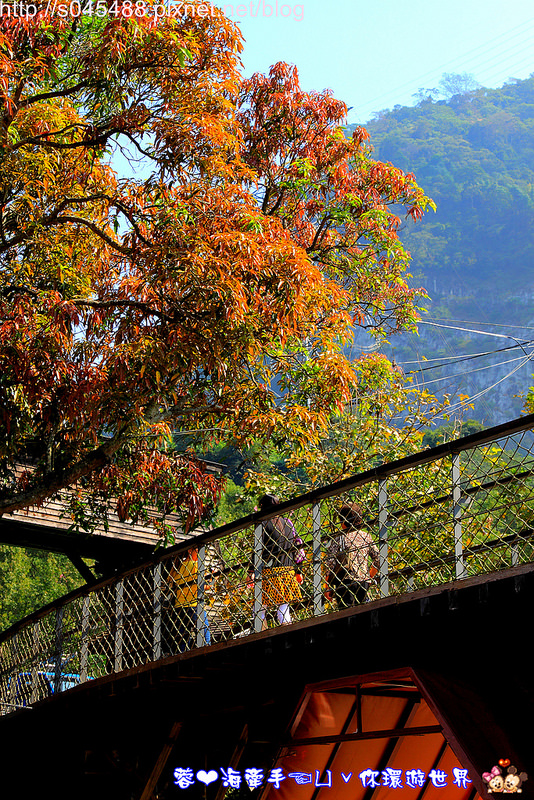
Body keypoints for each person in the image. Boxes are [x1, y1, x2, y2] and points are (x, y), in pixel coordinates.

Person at [250, 494, 304, 629]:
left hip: (270, 574)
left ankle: (260, 633)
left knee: (259, 608)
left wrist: (251, 571)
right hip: (287, 571)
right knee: (284, 607)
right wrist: (299, 570)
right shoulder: (288, 523)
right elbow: (297, 546)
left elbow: (257, 550)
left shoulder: (262, 524)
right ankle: (287, 630)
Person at [325, 503, 379, 607]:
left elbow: (330, 564)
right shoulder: (366, 537)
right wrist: (370, 575)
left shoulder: (339, 539)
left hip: (345, 581)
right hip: (363, 581)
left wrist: (328, 587)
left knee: (346, 611)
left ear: (343, 521)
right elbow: (378, 559)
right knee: (363, 609)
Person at [164, 549, 211, 654]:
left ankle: (182, 653)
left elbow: (170, 581)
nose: (201, 553)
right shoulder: (196, 565)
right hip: (194, 604)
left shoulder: (178, 566)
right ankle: (207, 649)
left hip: (179, 605)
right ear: (191, 551)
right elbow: (204, 586)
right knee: (204, 630)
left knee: (183, 634)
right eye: (198, 550)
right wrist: (213, 580)